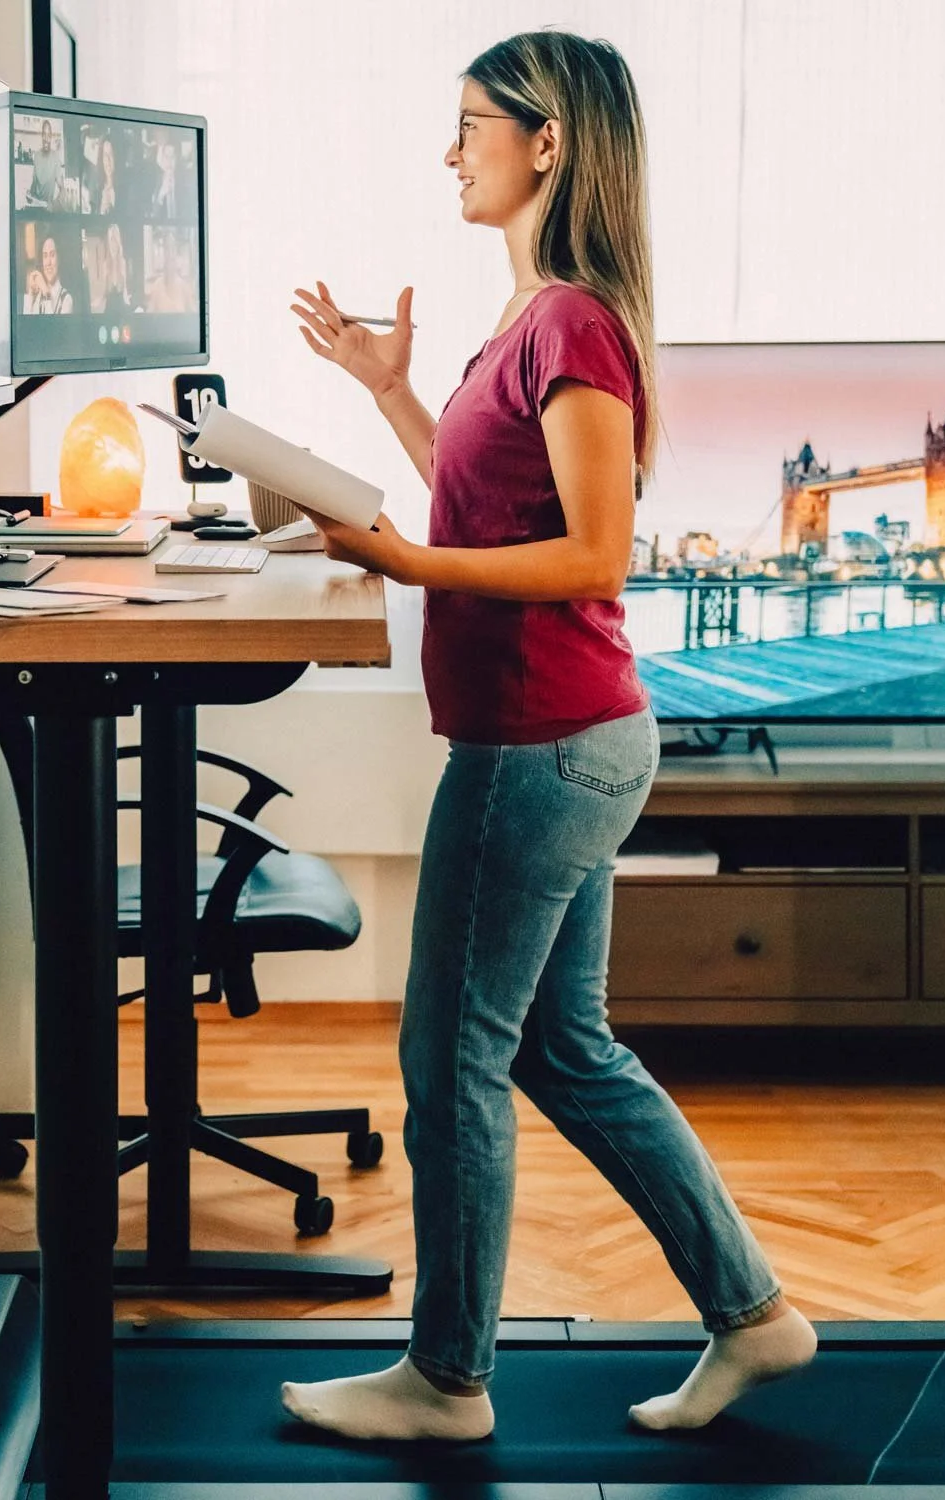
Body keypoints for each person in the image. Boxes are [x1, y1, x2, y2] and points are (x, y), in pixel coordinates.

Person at [278, 29, 816, 1445]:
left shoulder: (572, 324)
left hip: (543, 747)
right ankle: (756, 1318)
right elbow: (485, 513)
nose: (450, 151)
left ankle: (445, 1379)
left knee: (448, 1054)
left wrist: (402, 562)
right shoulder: (523, 327)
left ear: (548, 143)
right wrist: (390, 391)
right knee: (565, 1051)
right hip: (565, 738)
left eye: (469, 125)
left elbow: (589, 557)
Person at [23, 235, 72, 314]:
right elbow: (24, 324)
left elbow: (52, 325)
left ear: (59, 259)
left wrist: (46, 293)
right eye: (45, 256)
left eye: (52, 255)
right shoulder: (38, 298)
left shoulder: (66, 299)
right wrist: (30, 294)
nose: (48, 262)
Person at [29, 118, 62, 205]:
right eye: (44, 134)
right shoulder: (36, 155)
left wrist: (54, 203)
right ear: (42, 136)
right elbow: (34, 183)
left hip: (48, 206)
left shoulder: (55, 157)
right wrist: (30, 195)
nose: (46, 138)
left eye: (49, 135)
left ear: (51, 137)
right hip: (35, 204)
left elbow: (62, 188)